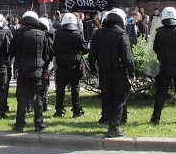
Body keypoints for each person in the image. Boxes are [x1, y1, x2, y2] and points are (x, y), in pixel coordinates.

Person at [88, 8, 135, 138]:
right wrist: (132, 72)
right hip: (119, 71)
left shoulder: (98, 34)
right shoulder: (121, 34)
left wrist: (93, 68)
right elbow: (128, 57)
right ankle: (114, 128)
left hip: (104, 72)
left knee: (107, 97)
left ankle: (107, 119)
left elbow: (92, 54)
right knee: (119, 99)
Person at [10, 11, 49, 133]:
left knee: (22, 98)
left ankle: (19, 124)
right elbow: (46, 55)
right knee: (37, 97)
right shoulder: (41, 35)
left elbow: (11, 51)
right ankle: (39, 124)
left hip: (22, 70)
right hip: (36, 70)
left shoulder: (17, 34)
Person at [53, 13, 88, 118]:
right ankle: (76, 111)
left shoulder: (58, 33)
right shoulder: (78, 33)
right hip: (74, 65)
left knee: (60, 89)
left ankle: (59, 110)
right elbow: (85, 50)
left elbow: (54, 49)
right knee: (75, 89)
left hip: (61, 65)